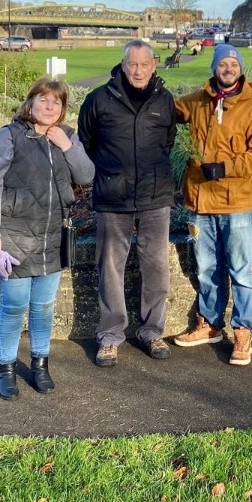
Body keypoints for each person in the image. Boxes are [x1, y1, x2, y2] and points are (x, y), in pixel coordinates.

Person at [0, 78, 95, 400]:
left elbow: (86, 176)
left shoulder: (66, 137)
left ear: (62, 109)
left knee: (43, 307)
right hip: (13, 239)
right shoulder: (9, 136)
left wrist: (67, 147)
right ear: (30, 104)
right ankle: (6, 369)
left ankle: (40, 365)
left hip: (52, 238)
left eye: (56, 103)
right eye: (43, 100)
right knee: (14, 306)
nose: (49, 107)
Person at [78, 39, 177, 368]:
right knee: (110, 268)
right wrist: (109, 174)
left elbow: (168, 141)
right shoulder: (99, 100)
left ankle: (152, 331)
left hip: (154, 195)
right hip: (113, 196)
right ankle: (110, 336)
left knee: (156, 268)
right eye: (132, 64)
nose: (138, 70)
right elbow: (87, 142)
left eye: (144, 64)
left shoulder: (164, 100)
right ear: (123, 66)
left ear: (153, 66)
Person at [173, 44, 252, 366]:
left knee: (240, 271)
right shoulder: (197, 102)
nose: (228, 68)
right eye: (222, 63)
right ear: (214, 68)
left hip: (236, 203)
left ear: (239, 69)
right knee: (207, 268)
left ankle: (243, 331)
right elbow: (168, 110)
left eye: (233, 63)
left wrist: (226, 168)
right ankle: (210, 324)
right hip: (200, 201)